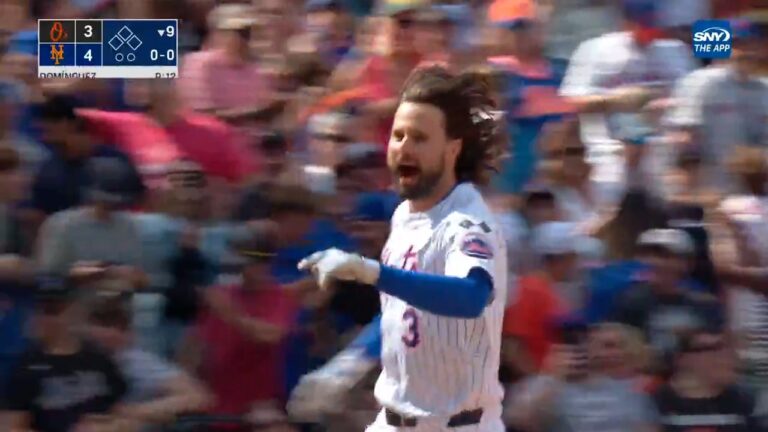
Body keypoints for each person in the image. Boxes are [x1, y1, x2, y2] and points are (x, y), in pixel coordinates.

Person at [290, 65, 508, 431]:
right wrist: (346, 365)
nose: (404, 147)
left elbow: (472, 297)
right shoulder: (405, 216)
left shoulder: (468, 221)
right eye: (398, 135)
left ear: (453, 150)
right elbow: (403, 311)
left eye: (420, 138)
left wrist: (371, 272)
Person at [2, 276, 127, 432]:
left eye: (53, 311)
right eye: (42, 311)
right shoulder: (26, 365)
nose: (45, 318)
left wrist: (112, 427)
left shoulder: (99, 359)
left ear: (75, 311)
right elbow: (11, 427)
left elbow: (124, 415)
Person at [86, 295, 210, 430]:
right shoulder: (72, 360)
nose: (109, 333)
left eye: (118, 327)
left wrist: (134, 412)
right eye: (100, 325)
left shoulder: (135, 360)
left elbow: (196, 396)